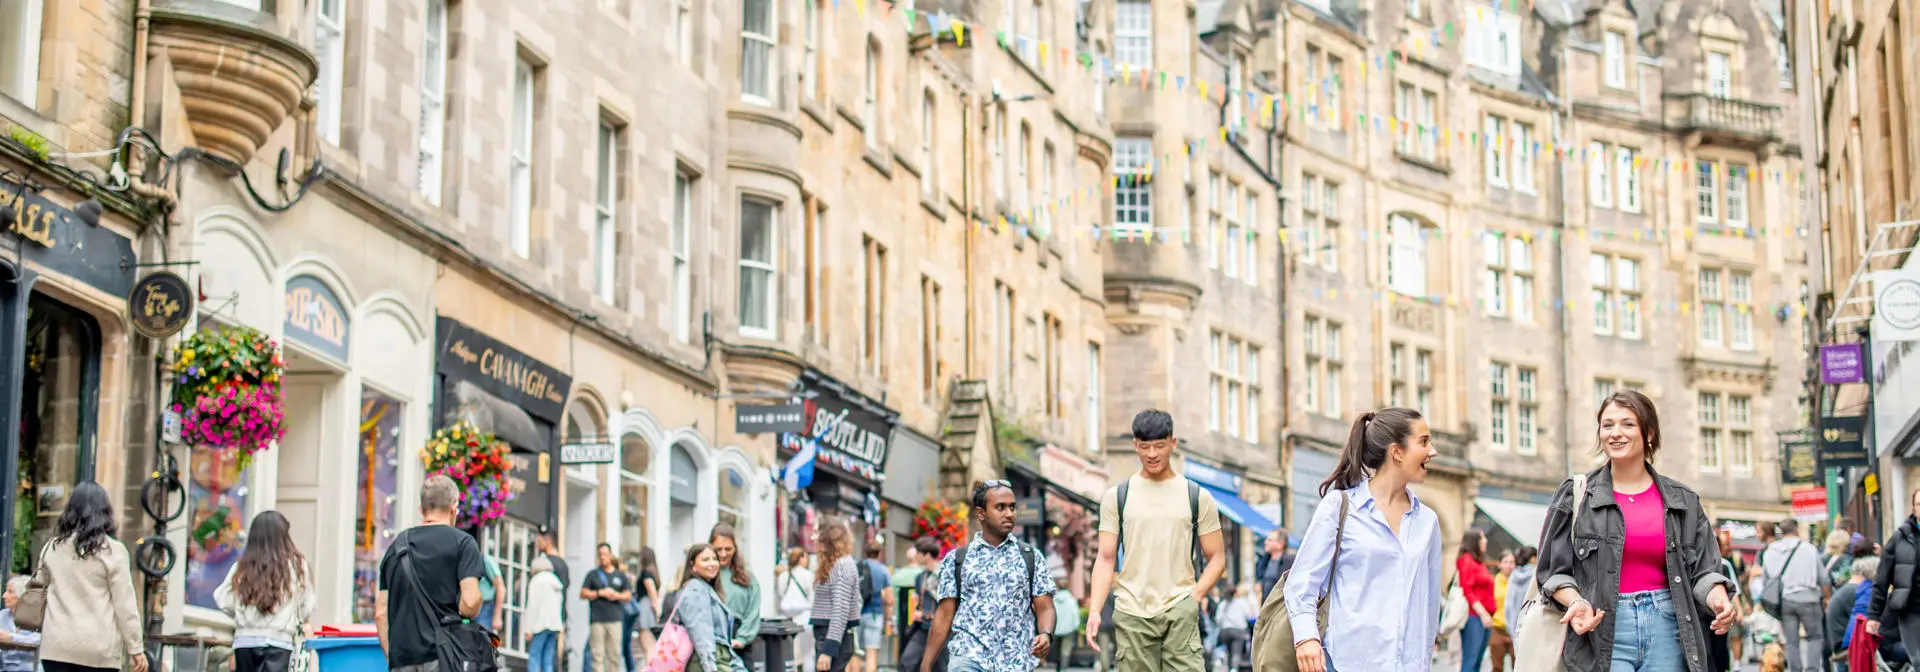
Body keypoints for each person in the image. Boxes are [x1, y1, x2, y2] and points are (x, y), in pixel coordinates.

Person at [1536, 390, 1738, 672]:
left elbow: (1705, 570)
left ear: (1649, 434)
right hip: (1600, 629)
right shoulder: (1576, 496)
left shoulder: (1683, 500)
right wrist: (1577, 602)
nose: (1615, 433)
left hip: (1668, 628)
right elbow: (1551, 571)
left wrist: (1718, 600)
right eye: (1607, 425)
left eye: (1627, 424)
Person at [1285, 407, 1442, 672]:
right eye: (1424, 441)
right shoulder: (1340, 507)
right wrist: (1306, 639)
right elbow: (1302, 583)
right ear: (1397, 452)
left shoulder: (1428, 522)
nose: (1433, 451)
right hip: (1347, 662)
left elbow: (1429, 605)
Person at [1085, 410, 1226, 672]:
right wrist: (1095, 610)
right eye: (1145, 446)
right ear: (1135, 446)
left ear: (1173, 443)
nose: (1152, 454)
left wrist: (1194, 597)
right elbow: (1105, 559)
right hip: (1132, 614)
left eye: (1159, 446)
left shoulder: (1196, 496)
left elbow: (1217, 557)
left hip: (1180, 611)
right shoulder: (1117, 497)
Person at [921, 480, 1056, 672]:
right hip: (968, 656)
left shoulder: (1030, 557)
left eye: (1012, 507)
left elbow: (1045, 607)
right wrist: (926, 664)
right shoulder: (958, 559)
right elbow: (944, 614)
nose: (1009, 513)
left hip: (1016, 662)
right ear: (981, 513)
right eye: (1000, 507)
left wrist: (1046, 634)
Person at [376, 474, 486, 672]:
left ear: (422, 509)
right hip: (443, 658)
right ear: (454, 508)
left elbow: (381, 614)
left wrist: (393, 658)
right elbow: (469, 603)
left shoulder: (396, 547)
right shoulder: (463, 543)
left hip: (402, 659)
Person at [37, 481, 146, 672]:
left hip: (56, 647)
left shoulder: (52, 547)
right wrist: (135, 648)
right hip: (98, 651)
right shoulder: (113, 551)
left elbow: (39, 590)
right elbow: (125, 605)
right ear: (105, 512)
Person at [214, 511, 317, 672]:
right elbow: (307, 605)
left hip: (245, 642)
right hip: (279, 642)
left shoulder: (242, 567)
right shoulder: (296, 566)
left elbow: (223, 599)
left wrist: (243, 615)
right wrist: (295, 617)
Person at [1762, 518, 1829, 672]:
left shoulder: (1771, 551)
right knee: (1814, 637)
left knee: (1791, 642)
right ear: (1796, 530)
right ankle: (1812, 670)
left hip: (1786, 601)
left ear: (1781, 532)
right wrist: (1827, 597)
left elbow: (1766, 581)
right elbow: (1823, 578)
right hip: (1809, 599)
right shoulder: (1809, 549)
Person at [673, 543, 748, 672]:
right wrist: (710, 667)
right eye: (705, 560)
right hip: (706, 661)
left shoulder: (708, 589)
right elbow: (700, 632)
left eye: (714, 559)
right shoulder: (695, 589)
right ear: (693, 566)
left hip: (718, 659)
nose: (712, 563)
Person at [1868, 487, 1920, 652]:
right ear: (1913, 508)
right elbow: (1882, 579)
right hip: (1910, 609)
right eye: (1919, 504)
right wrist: (1874, 615)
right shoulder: (1900, 538)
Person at [814, 518, 864, 672]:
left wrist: (829, 650)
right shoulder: (840, 564)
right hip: (832, 635)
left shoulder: (842, 565)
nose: (814, 538)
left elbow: (841, 609)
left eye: (817, 533)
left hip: (833, 636)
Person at [711, 525, 763, 656]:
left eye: (728, 549)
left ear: (735, 548)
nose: (723, 554)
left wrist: (742, 638)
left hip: (739, 638)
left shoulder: (746, 577)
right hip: (712, 638)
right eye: (718, 549)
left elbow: (753, 610)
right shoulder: (706, 576)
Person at [584, 544, 636, 672]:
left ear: (611, 556)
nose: (603, 558)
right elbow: (583, 593)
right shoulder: (592, 575)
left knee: (614, 655)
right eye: (600, 555)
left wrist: (616, 595)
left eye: (605, 555)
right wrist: (599, 593)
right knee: (597, 656)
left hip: (615, 619)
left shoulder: (620, 575)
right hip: (597, 620)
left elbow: (628, 595)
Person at [899, 536, 947, 672]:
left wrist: (926, 614)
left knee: (940, 667)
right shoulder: (920, 577)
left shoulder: (943, 574)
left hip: (940, 630)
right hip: (923, 628)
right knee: (907, 661)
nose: (916, 556)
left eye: (919, 553)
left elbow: (946, 605)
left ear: (927, 555)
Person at [1455, 529, 1496, 672]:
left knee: (1477, 661)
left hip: (1483, 618)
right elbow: (1467, 590)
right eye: (1482, 538)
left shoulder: (1478, 562)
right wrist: (1483, 613)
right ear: (1474, 542)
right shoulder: (1466, 560)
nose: (1485, 541)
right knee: (1470, 660)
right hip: (1474, 617)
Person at [1828, 555, 1876, 670]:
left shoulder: (1847, 589)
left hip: (1840, 643)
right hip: (1847, 648)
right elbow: (1863, 619)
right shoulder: (1854, 591)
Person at [535, 527, 571, 672]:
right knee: (550, 654)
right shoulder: (563, 564)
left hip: (544, 616)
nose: (537, 545)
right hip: (557, 615)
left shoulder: (547, 564)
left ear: (548, 541)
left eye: (539, 541)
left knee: (538, 654)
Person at [525, 555, 566, 672]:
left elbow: (532, 606)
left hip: (540, 623)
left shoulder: (536, 581)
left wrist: (528, 628)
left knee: (534, 656)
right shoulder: (555, 580)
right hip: (554, 624)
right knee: (548, 658)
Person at [855, 545, 892, 672]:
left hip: (856, 614)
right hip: (875, 614)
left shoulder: (857, 566)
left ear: (865, 552)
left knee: (856, 653)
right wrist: (888, 619)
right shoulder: (883, 570)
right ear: (879, 553)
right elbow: (889, 599)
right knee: (871, 653)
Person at [784, 546, 820, 667]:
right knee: (808, 655)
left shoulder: (784, 575)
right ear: (800, 558)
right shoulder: (809, 575)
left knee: (791, 655)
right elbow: (813, 598)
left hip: (788, 618)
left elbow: (780, 596)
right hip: (806, 618)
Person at [629, 548, 664, 668]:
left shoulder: (645, 574)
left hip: (645, 609)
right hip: (648, 608)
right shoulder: (653, 573)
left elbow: (652, 593)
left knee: (647, 646)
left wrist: (657, 611)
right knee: (649, 646)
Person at [0, 574, 41, 671]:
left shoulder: (38, 617)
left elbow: (40, 639)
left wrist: (12, 638)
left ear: (23, 596)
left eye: (10, 592)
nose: (4, 596)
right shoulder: (2, 615)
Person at [1214, 583, 1253, 672]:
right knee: (1236, 653)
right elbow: (1248, 615)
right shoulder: (1241, 602)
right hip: (1238, 631)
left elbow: (1218, 619)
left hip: (1225, 630)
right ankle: (1234, 669)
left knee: (1229, 652)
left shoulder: (1222, 604)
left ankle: (1229, 668)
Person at [1502, 547, 1537, 645]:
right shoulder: (1537, 574)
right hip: (1531, 628)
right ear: (1533, 559)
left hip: (1514, 627)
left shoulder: (1513, 575)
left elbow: (1508, 604)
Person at [1487, 552, 1514, 672]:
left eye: (1512, 562)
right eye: (1506, 562)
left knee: (1519, 665)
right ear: (1499, 564)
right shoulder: (1493, 582)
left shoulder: (1519, 582)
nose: (1509, 565)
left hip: (1515, 629)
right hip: (1498, 628)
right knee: (1497, 667)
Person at [1052, 577, 1082, 672]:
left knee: (1057, 648)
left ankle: (1058, 667)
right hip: (1069, 629)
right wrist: (1076, 626)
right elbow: (1076, 615)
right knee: (1066, 650)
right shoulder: (1071, 599)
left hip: (1056, 629)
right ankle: (1063, 669)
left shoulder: (1054, 600)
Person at [476, 540, 506, 635]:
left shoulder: (485, 561)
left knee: (482, 640)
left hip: (485, 607)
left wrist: (497, 616)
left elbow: (500, 587)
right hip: (468, 609)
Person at [1255, 533, 1291, 603]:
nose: (1265, 542)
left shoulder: (1289, 562)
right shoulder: (1263, 562)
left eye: (1270, 540)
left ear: (1280, 544)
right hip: (1266, 607)